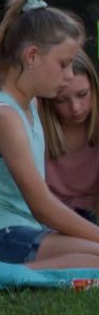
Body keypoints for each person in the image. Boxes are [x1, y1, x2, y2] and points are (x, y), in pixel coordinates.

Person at [0, 0, 99, 268]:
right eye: (63, 64)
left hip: (19, 229)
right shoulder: (4, 116)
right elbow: (42, 205)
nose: (69, 75)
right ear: (32, 56)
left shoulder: (31, 104)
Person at [44, 52, 99, 220]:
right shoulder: (37, 126)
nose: (75, 108)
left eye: (82, 94)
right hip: (50, 216)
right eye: (61, 100)